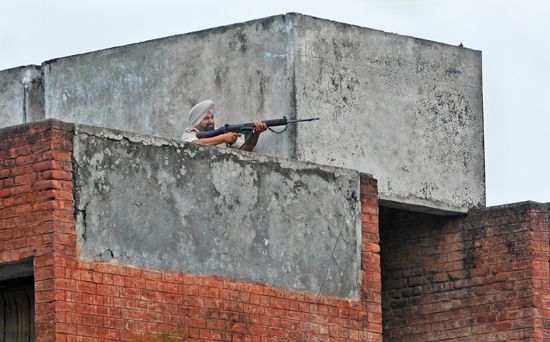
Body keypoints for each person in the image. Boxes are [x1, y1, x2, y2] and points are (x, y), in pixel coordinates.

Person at [181, 100, 267, 152]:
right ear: (197, 122)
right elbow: (192, 145)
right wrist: (223, 138)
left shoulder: (222, 134)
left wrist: (256, 133)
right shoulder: (189, 133)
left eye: (212, 117)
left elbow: (245, 151)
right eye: (206, 118)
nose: (211, 121)